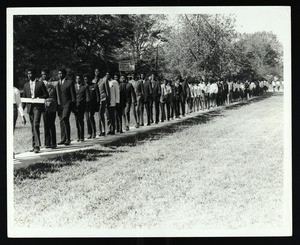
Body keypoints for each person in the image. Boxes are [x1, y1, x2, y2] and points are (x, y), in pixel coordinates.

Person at [22, 68, 49, 153]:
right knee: (32, 126)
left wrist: (38, 98)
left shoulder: (40, 84)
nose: (29, 75)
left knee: (36, 124)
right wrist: (21, 111)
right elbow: (24, 98)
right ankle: (34, 145)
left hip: (37, 107)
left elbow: (46, 95)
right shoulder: (26, 85)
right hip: (30, 108)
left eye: (31, 73)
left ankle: (37, 146)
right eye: (28, 74)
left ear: (34, 75)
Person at [41, 69, 61, 148]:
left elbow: (58, 97)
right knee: (46, 124)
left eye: (45, 74)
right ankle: (47, 143)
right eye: (42, 74)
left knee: (51, 124)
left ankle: (53, 143)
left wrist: (59, 107)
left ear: (49, 75)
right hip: (44, 106)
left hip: (52, 106)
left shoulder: (55, 84)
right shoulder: (40, 83)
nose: (44, 76)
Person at [57, 68, 76, 146]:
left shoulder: (69, 82)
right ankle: (63, 138)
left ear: (64, 74)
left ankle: (68, 139)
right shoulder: (57, 83)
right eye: (58, 73)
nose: (59, 75)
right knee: (61, 121)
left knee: (65, 118)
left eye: (61, 73)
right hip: (60, 105)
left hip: (67, 104)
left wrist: (73, 105)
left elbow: (73, 95)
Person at [73, 74, 90, 142]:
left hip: (82, 106)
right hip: (75, 106)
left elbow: (87, 97)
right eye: (77, 78)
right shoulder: (74, 86)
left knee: (81, 120)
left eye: (79, 78)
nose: (78, 80)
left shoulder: (85, 87)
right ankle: (78, 136)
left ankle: (82, 136)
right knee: (77, 121)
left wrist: (87, 106)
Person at [85, 73, 99, 139]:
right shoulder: (84, 86)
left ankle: (94, 132)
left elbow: (97, 97)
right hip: (86, 105)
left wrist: (97, 106)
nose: (85, 80)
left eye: (86, 79)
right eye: (84, 79)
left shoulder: (94, 86)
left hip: (92, 105)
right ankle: (89, 133)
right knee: (87, 119)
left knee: (91, 117)